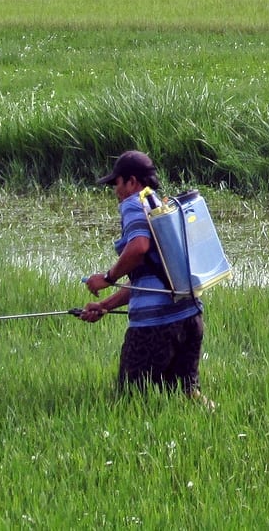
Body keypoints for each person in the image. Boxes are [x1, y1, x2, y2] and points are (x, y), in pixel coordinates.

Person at [81, 150, 211, 407]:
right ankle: (219, 427)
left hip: (155, 327)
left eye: (117, 183)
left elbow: (139, 247)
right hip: (189, 318)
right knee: (188, 395)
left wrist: (108, 277)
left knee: (130, 401)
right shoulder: (160, 207)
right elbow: (151, 278)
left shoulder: (133, 204)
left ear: (132, 182)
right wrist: (105, 305)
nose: (116, 191)